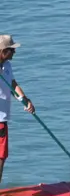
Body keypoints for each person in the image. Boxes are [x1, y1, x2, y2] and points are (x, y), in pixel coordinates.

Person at [0, 34, 35, 184]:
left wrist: (25, 100)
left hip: (3, 118)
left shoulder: (7, 65)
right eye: (11, 50)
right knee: (0, 157)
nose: (14, 52)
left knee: (2, 157)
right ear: (3, 51)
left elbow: (13, 84)